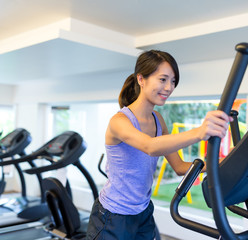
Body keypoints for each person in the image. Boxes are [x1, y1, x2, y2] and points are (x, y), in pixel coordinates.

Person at [86, 50, 232, 240]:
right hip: (112, 215)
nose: (169, 87)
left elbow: (179, 167)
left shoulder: (158, 120)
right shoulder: (120, 121)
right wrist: (200, 132)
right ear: (141, 79)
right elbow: (150, 146)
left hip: (143, 211)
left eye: (173, 81)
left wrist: (223, 162)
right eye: (163, 79)